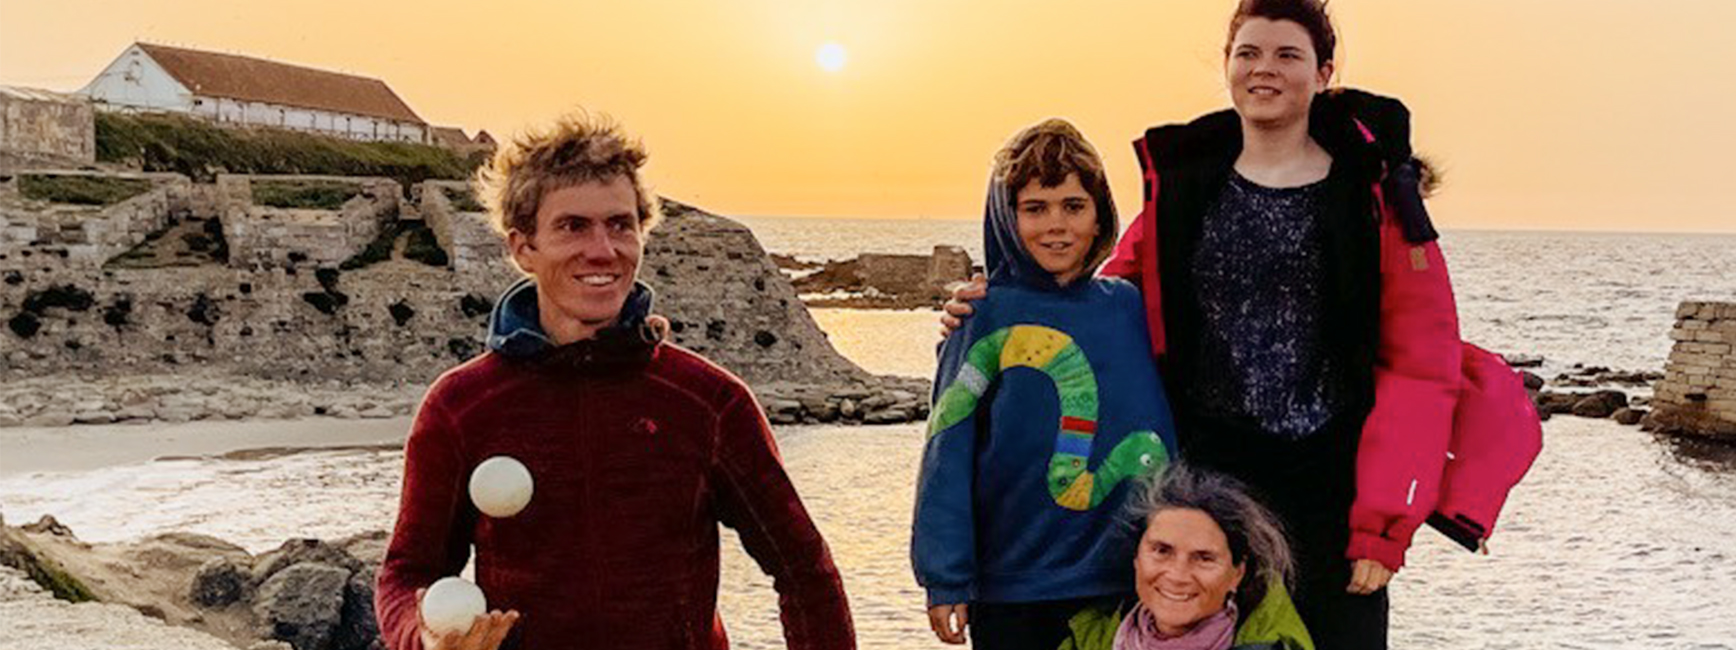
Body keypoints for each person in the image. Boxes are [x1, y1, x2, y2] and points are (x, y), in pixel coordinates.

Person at [942, 1, 1463, 646]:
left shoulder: (1375, 199)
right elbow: (1092, 297)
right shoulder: (1188, 186)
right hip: (1203, 480)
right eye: (1248, 53)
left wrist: (1384, 525)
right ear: (1227, 66)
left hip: (1330, 486)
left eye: (1287, 55)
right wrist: (994, 309)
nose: (1264, 69)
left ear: (1323, 73)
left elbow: (1422, 366)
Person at [374, 114, 856, 650]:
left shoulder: (709, 402)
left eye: (620, 225)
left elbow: (804, 572)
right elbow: (406, 574)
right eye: (572, 226)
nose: (603, 249)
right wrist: (422, 637)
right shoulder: (462, 408)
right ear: (522, 247)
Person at [913, 119, 1178, 650]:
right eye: (1036, 208)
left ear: (1099, 212)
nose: (1057, 225)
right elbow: (947, 450)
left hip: (1125, 583)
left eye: (1073, 206)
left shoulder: (1128, 306)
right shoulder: (982, 316)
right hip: (1014, 587)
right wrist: (945, 575)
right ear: (1007, 219)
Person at [1057, 463, 1313, 650]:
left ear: (1237, 573)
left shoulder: (1272, 645)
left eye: (1204, 558)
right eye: (1161, 550)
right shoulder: (1088, 640)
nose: (1178, 575)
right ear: (1136, 559)